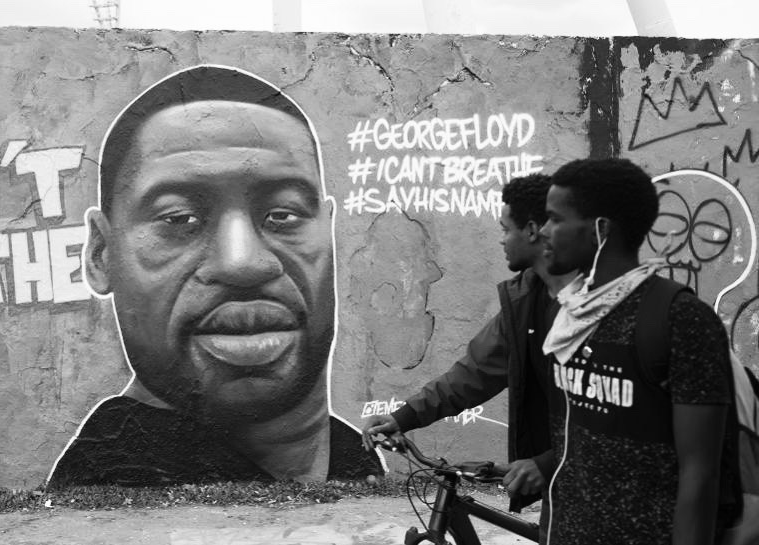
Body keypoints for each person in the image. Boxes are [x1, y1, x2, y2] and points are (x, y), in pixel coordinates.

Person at [47, 65, 382, 488]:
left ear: (329, 235)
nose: (243, 263)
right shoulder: (112, 488)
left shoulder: (353, 458)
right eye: (178, 218)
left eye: (283, 215)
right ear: (101, 256)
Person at [539, 158, 736, 545]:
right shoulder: (568, 314)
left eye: (555, 219)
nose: (543, 231)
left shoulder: (680, 319)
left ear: (601, 230)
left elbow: (700, 473)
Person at [362, 173, 575, 517]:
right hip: (559, 484)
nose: (501, 240)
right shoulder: (524, 301)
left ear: (533, 230)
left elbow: (614, 415)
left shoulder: (590, 304)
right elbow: (473, 373)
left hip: (601, 484)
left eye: (505, 229)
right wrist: (403, 417)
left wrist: (548, 463)